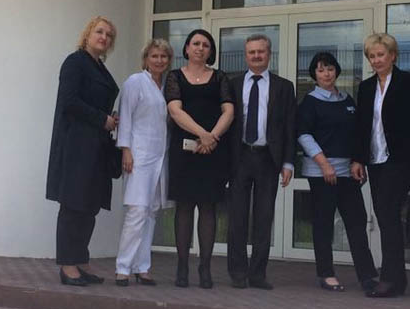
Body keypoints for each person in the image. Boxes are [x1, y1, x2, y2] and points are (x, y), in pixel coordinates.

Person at [351, 33, 410, 298]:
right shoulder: (366, 87)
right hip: (375, 159)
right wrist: (358, 159)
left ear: (393, 56)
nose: (376, 60)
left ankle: (389, 278)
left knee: (387, 214)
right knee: (386, 216)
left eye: (381, 55)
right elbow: (362, 126)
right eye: (372, 56)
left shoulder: (409, 82)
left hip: (400, 158)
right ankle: (398, 279)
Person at [45, 16, 120, 286]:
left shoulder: (99, 67)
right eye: (99, 32)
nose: (104, 37)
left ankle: (80, 260)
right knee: (73, 206)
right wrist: (102, 119)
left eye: (109, 35)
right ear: (87, 34)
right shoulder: (75, 62)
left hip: (96, 147)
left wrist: (110, 119)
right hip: (76, 146)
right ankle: (67, 265)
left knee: (89, 207)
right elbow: (69, 102)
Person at [297, 51, 376, 293]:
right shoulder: (310, 101)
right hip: (322, 172)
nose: (326, 74)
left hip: (348, 172)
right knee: (323, 224)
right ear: (314, 74)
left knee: (356, 223)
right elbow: (303, 134)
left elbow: (357, 134)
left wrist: (358, 161)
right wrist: (324, 164)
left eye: (330, 69)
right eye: (321, 70)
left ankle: (367, 276)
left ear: (336, 71)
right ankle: (326, 274)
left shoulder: (347, 100)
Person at [165, 29, 235, 289]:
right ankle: (182, 267)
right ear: (186, 48)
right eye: (195, 43)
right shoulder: (174, 76)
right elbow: (175, 110)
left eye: (206, 45)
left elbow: (229, 111)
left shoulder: (220, 77)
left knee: (208, 208)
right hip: (184, 151)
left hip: (212, 151)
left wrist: (212, 137)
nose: (200, 48)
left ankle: (205, 268)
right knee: (184, 208)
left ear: (211, 51)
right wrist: (202, 134)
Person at [227, 34, 296, 290]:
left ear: (269, 54)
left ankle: (257, 274)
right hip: (239, 157)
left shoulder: (284, 86)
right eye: (251, 52)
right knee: (237, 219)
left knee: (264, 219)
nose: (256, 56)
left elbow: (290, 126)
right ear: (246, 55)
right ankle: (237, 273)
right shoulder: (232, 84)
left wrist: (288, 163)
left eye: (261, 51)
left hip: (268, 158)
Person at [114, 38, 173, 286]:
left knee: (151, 212)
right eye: (154, 56)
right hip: (138, 155)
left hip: (160, 156)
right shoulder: (135, 82)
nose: (159, 60)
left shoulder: (167, 87)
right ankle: (123, 267)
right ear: (146, 59)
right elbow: (125, 116)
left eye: (163, 57)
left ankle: (142, 267)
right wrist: (125, 150)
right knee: (137, 210)